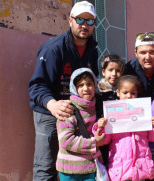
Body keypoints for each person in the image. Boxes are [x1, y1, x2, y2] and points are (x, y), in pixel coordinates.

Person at [28, 1, 98, 180]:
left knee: (75, 162)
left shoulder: (92, 50)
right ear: (70, 20)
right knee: (46, 166)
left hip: (78, 113)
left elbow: (91, 80)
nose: (84, 25)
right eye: (80, 19)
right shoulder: (53, 48)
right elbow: (37, 85)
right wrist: (53, 105)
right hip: (50, 112)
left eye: (90, 21)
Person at [92, 75, 154, 180]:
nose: (129, 96)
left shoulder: (143, 110)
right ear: (118, 92)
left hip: (141, 168)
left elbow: (152, 137)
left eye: (133, 93)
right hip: (120, 168)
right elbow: (105, 140)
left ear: (137, 94)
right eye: (125, 93)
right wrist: (101, 127)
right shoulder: (112, 112)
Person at [56, 68, 106, 180]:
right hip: (71, 171)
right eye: (80, 85)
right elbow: (66, 141)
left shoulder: (93, 107)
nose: (86, 88)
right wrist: (94, 142)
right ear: (74, 88)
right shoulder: (68, 109)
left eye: (89, 84)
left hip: (91, 168)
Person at [95, 54, 125, 166]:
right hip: (103, 137)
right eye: (110, 70)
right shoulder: (97, 92)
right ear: (103, 72)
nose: (114, 74)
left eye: (118, 71)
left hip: (119, 138)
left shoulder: (124, 91)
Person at [124, 32, 154, 99]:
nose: (148, 57)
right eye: (143, 53)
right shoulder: (128, 70)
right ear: (136, 53)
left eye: (152, 52)